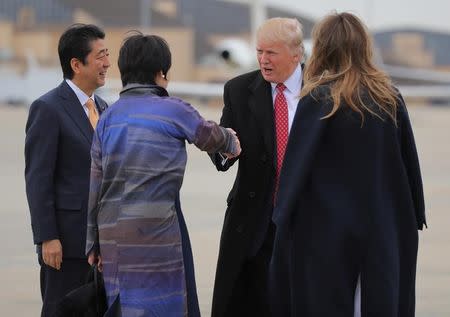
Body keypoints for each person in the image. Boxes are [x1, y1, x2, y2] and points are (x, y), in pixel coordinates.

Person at [270, 12, 426, 317]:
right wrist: (413, 215)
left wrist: (282, 217)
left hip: (327, 229)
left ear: (323, 47)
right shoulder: (388, 96)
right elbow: (408, 164)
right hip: (381, 224)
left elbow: (296, 168)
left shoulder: (317, 97)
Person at [86, 32, 241, 317]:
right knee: (161, 304)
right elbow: (209, 135)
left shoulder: (108, 116)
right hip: (154, 230)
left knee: (123, 306)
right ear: (160, 72)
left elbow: (95, 184)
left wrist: (93, 242)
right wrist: (231, 141)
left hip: (112, 234)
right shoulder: (171, 110)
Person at [209, 17, 305, 317]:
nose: (263, 60)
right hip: (255, 225)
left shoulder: (323, 90)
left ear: (296, 54)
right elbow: (221, 152)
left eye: (272, 53)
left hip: (307, 223)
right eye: (259, 51)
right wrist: (225, 148)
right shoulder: (239, 90)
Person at [24, 24, 110, 316]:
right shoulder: (48, 108)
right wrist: (47, 237)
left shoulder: (105, 108)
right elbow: (38, 179)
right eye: (100, 56)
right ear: (76, 64)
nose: (107, 63)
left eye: (107, 55)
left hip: (103, 246)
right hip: (66, 244)